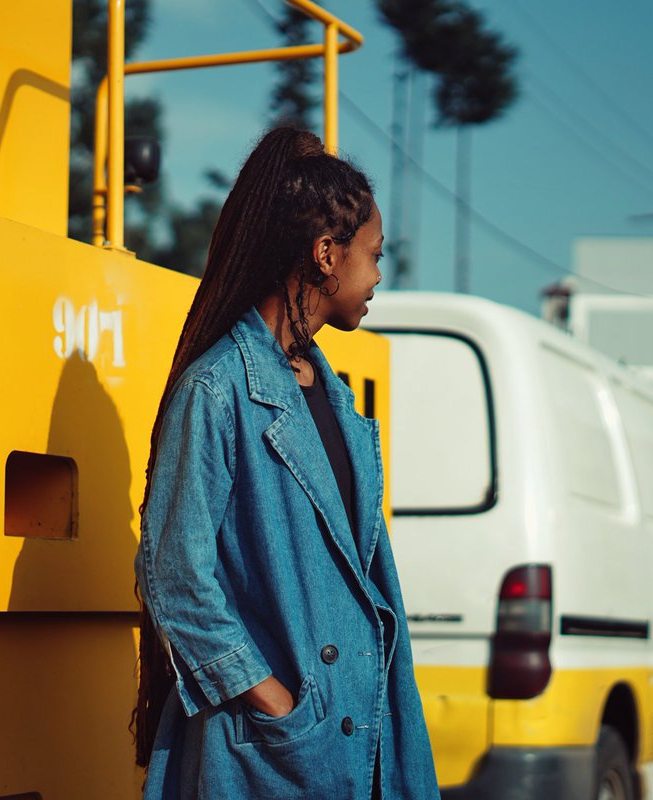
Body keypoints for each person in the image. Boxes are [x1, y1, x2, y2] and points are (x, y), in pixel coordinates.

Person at [133, 127, 440, 800]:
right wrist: (274, 698)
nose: (380, 275)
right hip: (270, 754)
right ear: (327, 254)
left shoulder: (336, 398)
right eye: (374, 255)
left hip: (358, 735)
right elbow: (174, 574)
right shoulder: (216, 391)